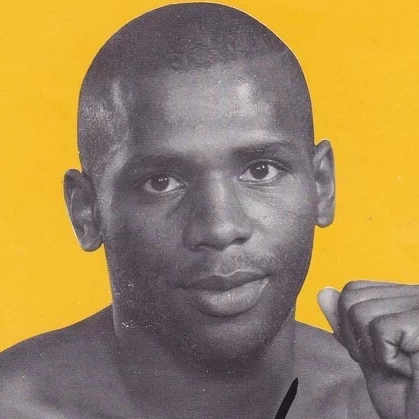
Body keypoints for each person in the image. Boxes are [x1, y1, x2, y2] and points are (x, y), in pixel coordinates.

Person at [0, 3, 418, 418]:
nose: (220, 227)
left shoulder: (391, 399)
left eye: (260, 170)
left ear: (322, 185)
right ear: (87, 211)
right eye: (161, 182)